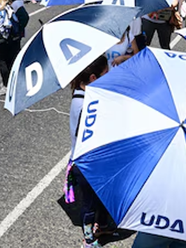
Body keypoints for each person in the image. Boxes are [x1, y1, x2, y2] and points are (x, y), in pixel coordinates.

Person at [67, 56, 109, 248]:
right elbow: (89, 135)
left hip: (90, 161)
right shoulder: (85, 104)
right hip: (87, 163)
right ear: (93, 78)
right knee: (89, 204)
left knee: (101, 198)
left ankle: (102, 226)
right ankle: (88, 238)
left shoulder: (82, 94)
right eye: (105, 74)